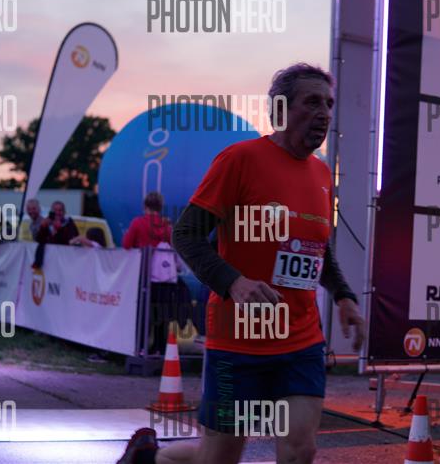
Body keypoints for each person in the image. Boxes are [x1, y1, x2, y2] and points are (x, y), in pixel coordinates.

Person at [117, 63, 366, 464]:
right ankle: (149, 458)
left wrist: (344, 296)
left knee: (300, 450)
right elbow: (186, 235)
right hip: (238, 340)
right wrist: (233, 282)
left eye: (329, 104)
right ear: (281, 109)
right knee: (218, 458)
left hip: (301, 340)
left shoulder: (322, 174)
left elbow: (318, 248)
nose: (324, 113)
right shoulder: (240, 160)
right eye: (312, 102)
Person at [32, 201, 79, 269]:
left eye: (60, 210)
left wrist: (59, 229)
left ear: (64, 212)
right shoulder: (48, 222)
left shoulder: (69, 222)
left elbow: (71, 240)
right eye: (55, 210)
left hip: (65, 259)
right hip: (48, 260)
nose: (57, 212)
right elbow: (39, 240)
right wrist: (43, 227)